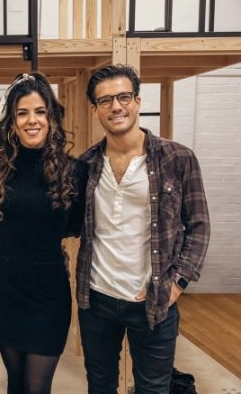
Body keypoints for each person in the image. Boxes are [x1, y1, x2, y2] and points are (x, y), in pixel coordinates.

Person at [76, 64, 210, 394]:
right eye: (105, 100)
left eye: (123, 97)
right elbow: (66, 221)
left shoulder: (177, 158)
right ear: (94, 110)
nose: (115, 106)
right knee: (100, 386)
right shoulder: (86, 164)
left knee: (153, 389)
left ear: (137, 101)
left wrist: (177, 284)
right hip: (97, 299)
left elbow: (199, 226)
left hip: (153, 301)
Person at [0, 73, 87, 394]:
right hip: (6, 287)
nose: (32, 120)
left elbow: (76, 225)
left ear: (52, 118)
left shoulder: (75, 171)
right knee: (15, 384)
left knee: (36, 386)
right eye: (22, 113)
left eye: (40, 111)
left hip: (48, 291)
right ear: (12, 123)